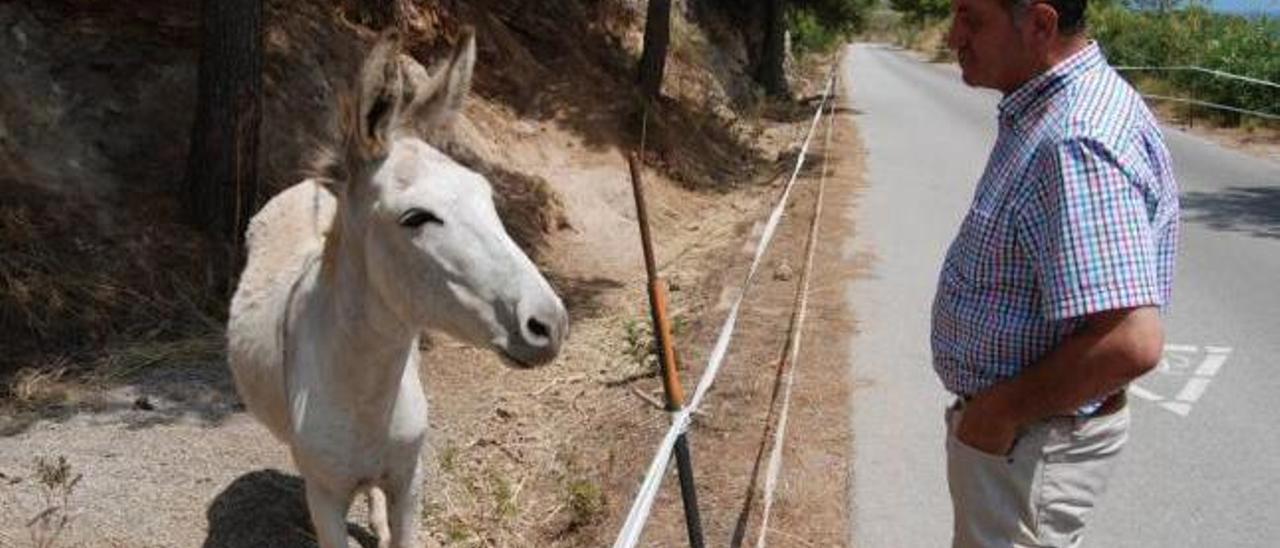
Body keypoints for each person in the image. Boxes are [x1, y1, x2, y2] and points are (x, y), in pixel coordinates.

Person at [932, 0, 1180, 546]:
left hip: (1028, 444)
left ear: (1041, 24)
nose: (954, 38)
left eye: (973, 20)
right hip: (1021, 441)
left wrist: (996, 415)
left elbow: (1130, 343)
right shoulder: (1048, 108)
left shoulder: (1077, 138)